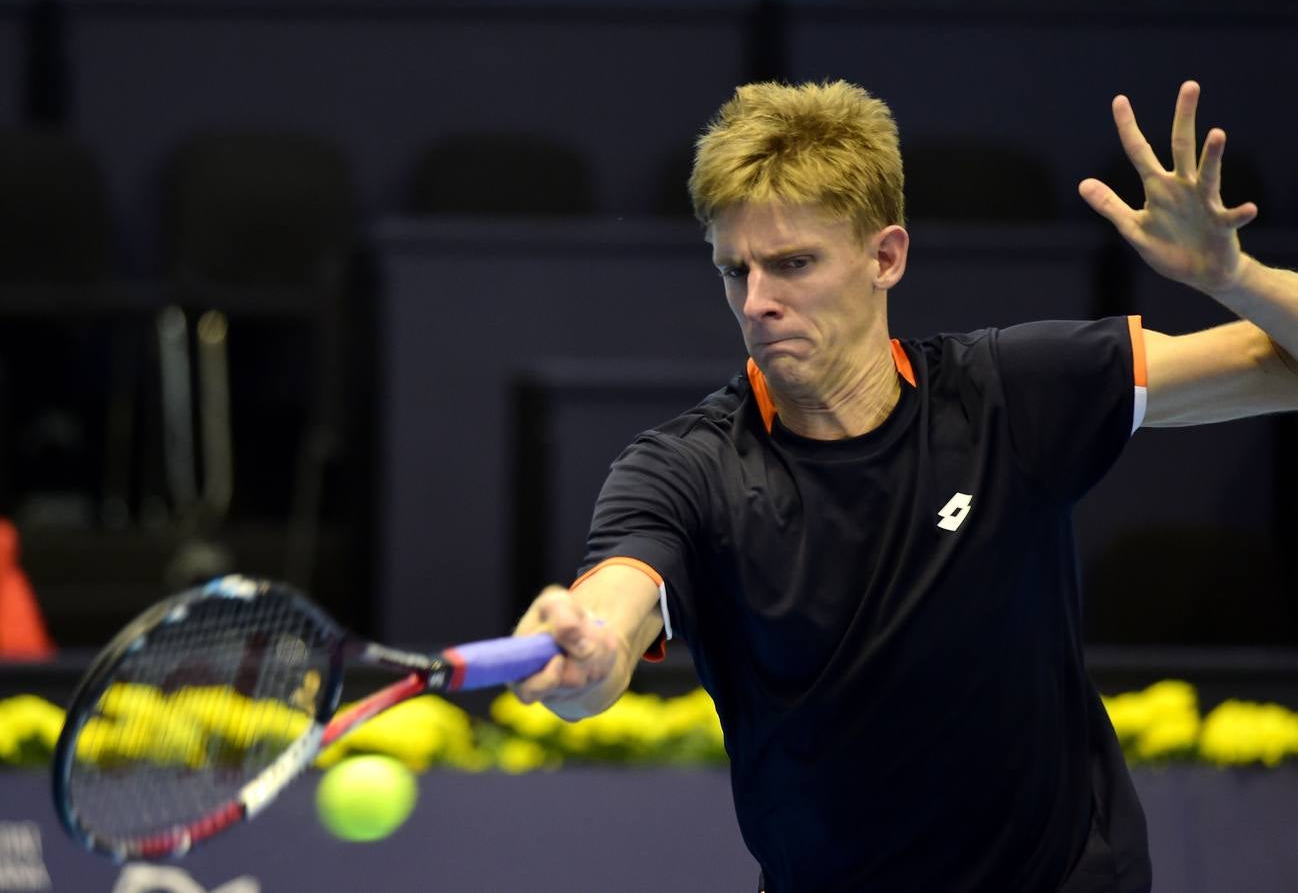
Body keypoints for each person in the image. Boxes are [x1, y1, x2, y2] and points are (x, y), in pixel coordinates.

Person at [511, 79, 1298, 891]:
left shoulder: (1007, 394)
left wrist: (1233, 277)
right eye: (734, 270)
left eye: (792, 264)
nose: (757, 302)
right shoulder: (684, 469)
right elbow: (614, 615)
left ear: (885, 256)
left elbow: (1283, 366)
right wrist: (591, 648)